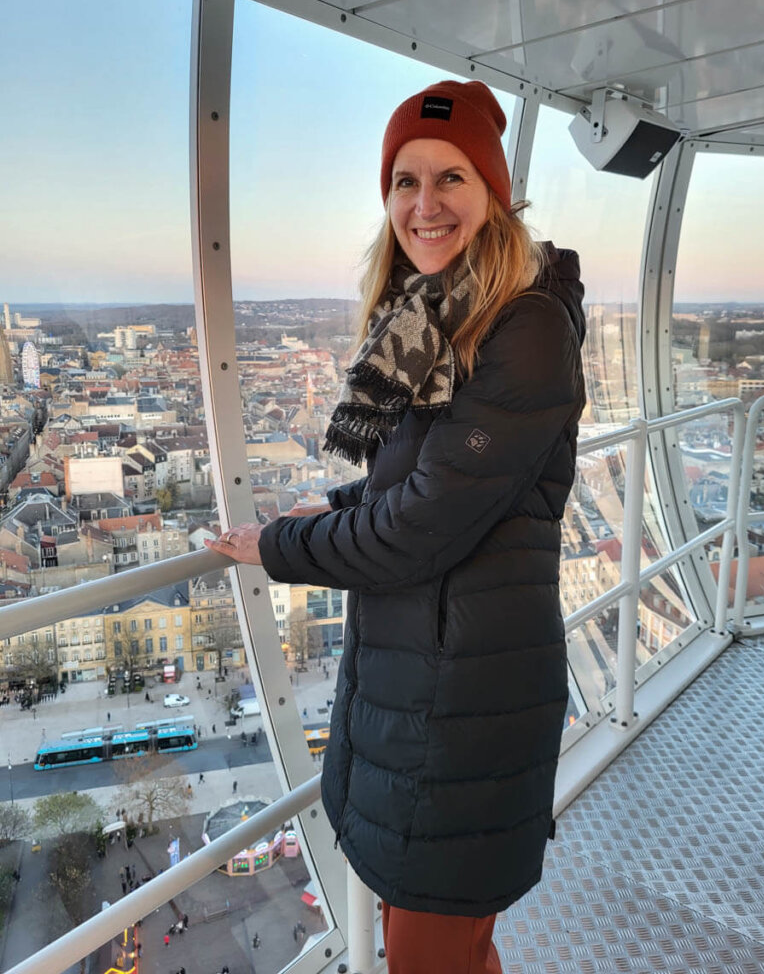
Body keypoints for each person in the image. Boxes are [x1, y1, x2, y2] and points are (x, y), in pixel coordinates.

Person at [206, 79, 585, 974]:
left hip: (457, 702)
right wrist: (333, 508)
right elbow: (429, 479)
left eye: (451, 178)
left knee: (431, 952)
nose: (425, 204)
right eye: (405, 180)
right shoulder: (435, 315)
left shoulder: (522, 329)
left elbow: (420, 528)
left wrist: (278, 547)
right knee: (454, 947)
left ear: (492, 191)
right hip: (438, 682)